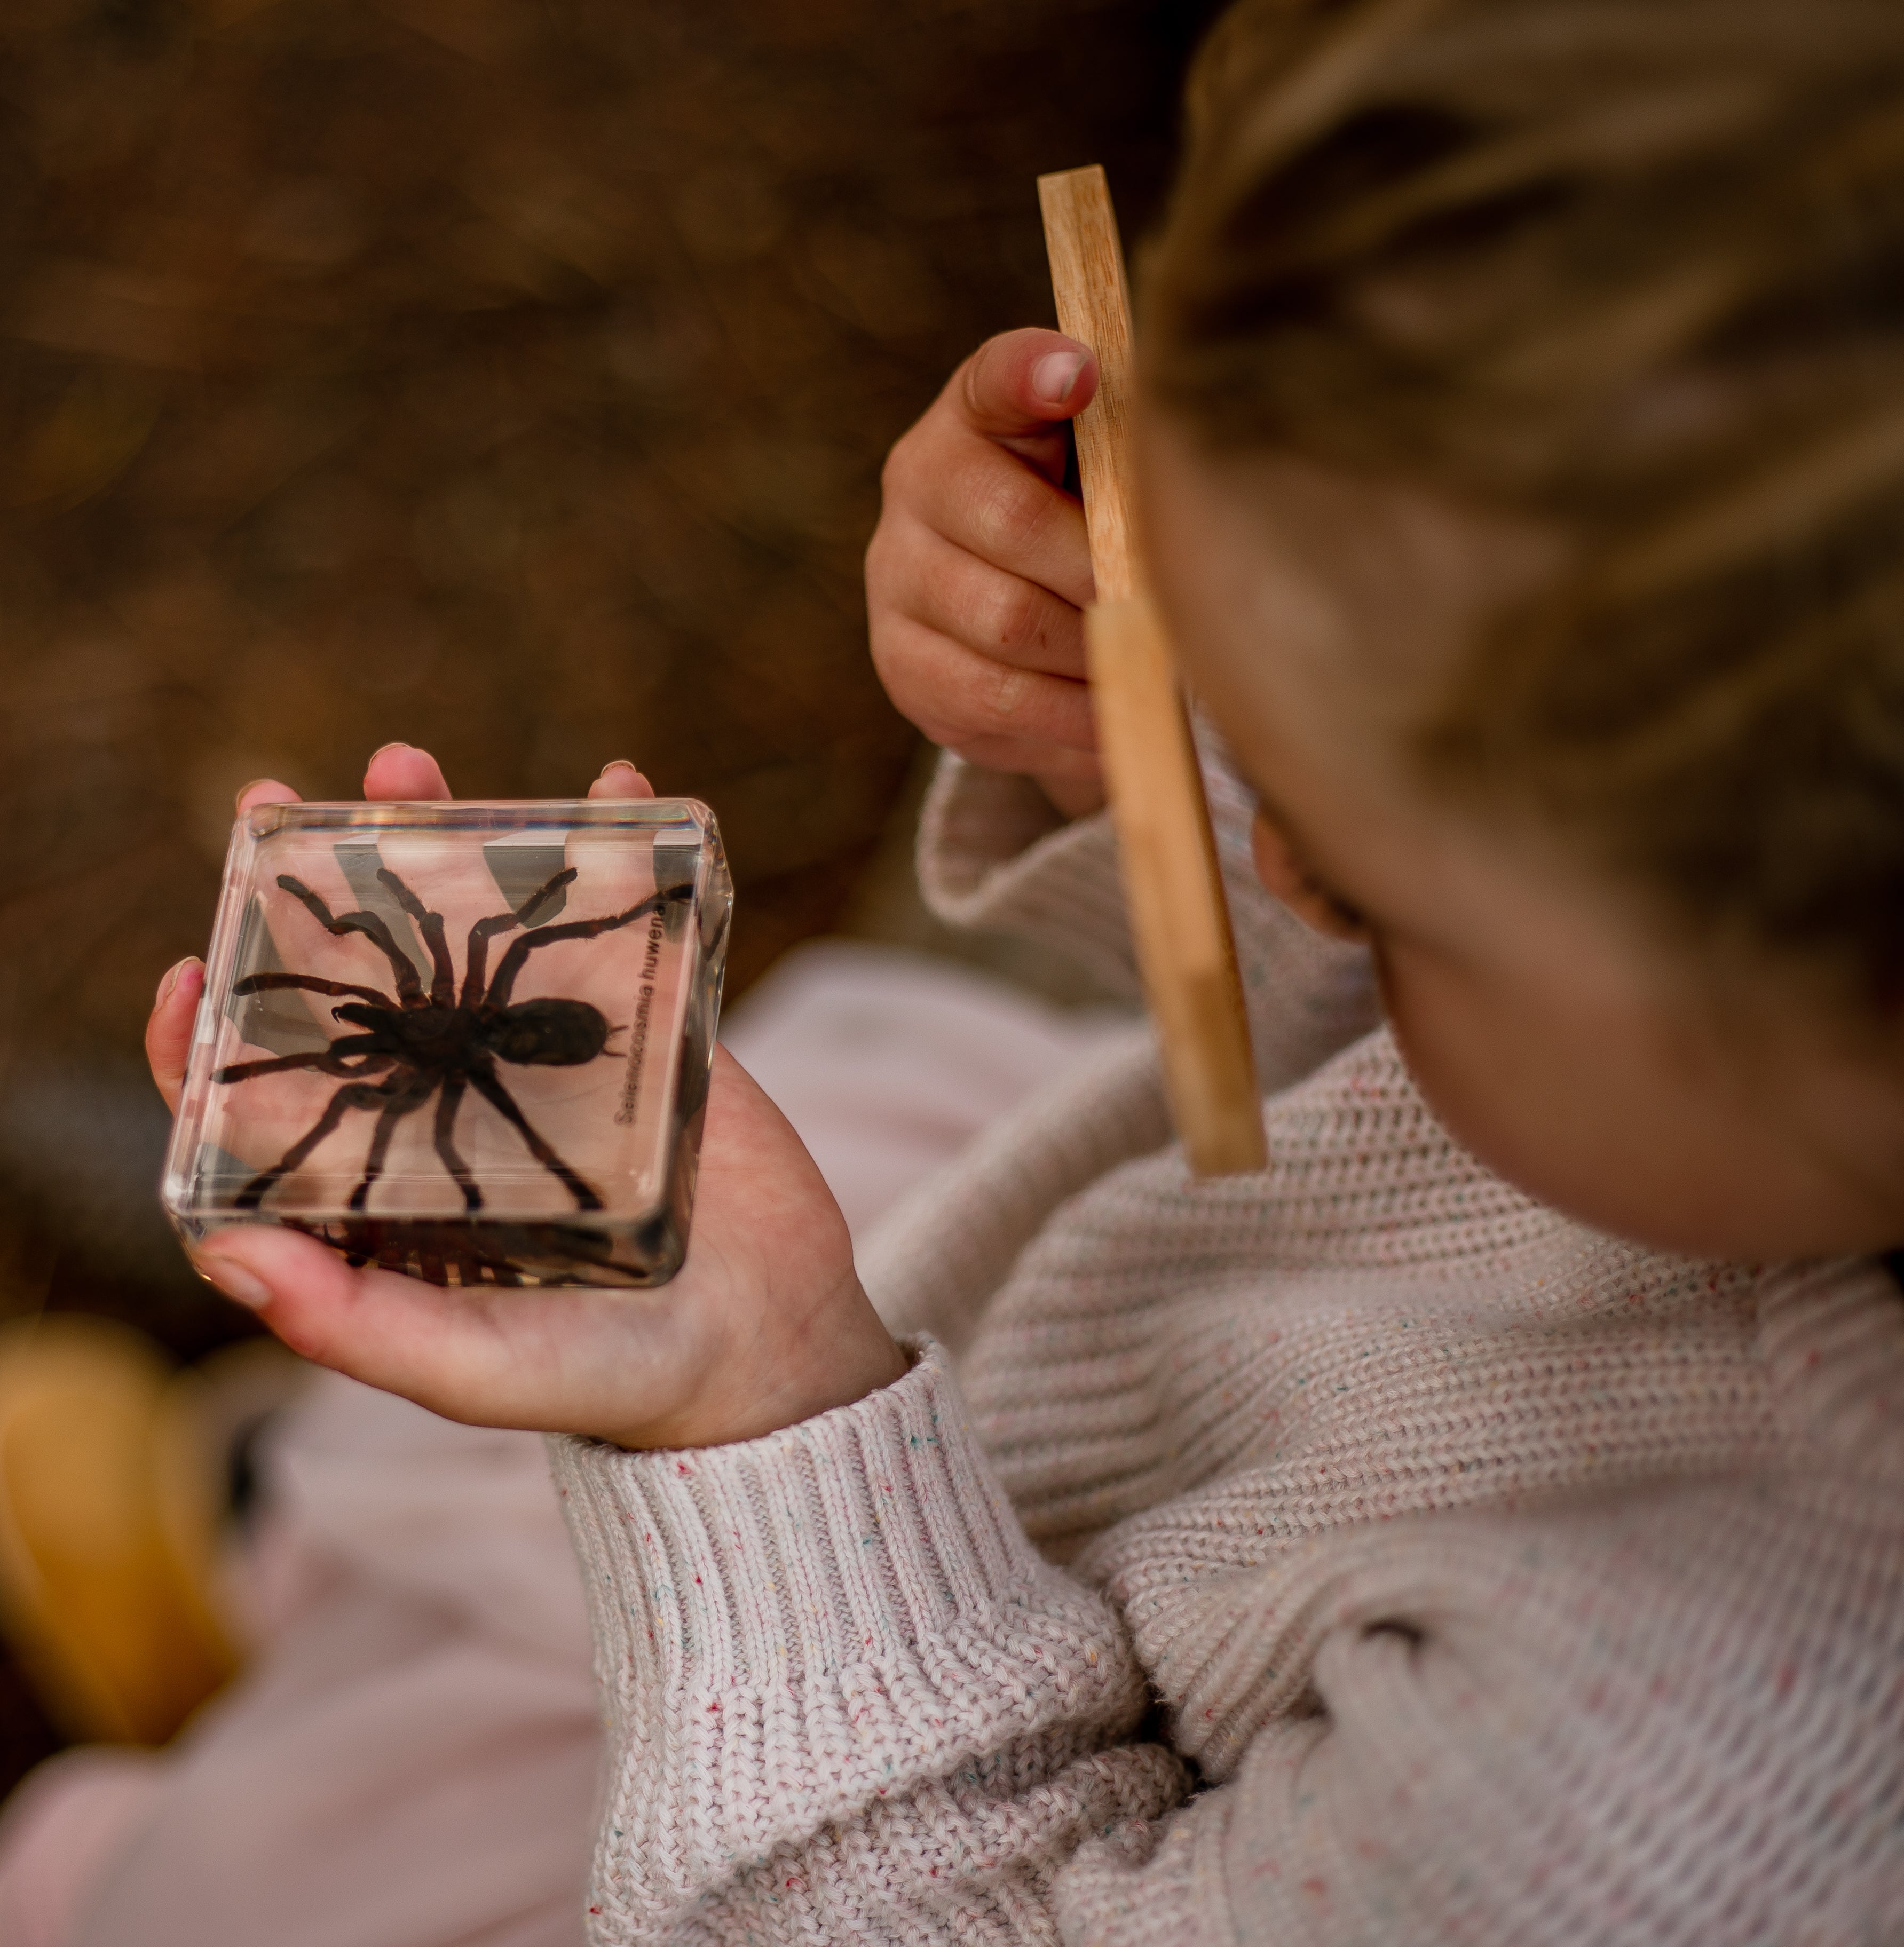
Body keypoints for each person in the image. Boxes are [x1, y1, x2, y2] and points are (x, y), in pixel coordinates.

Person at [124, 0, 1904, 1939]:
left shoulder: (1670, 1816)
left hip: (905, 1769)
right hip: (1139, 1297)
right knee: (782, 1126)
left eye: (1369, 881)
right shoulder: (1730, 1023)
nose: (1277, 856)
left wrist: (763, 1419)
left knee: (315, 1868)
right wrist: (1126, 707)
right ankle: (311, 1521)